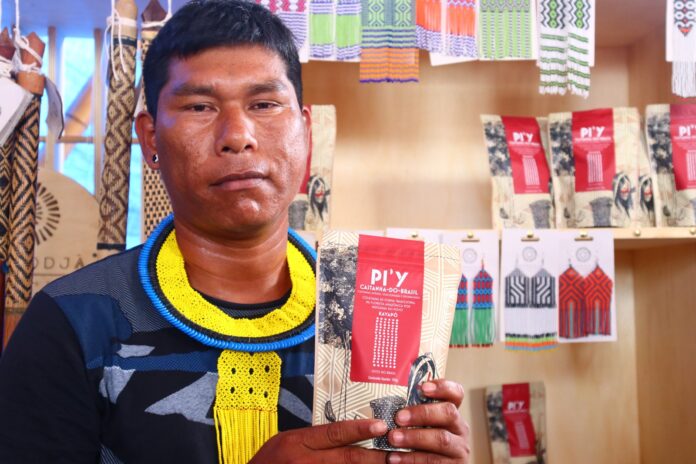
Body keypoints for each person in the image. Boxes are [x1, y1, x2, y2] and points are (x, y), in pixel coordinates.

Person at [0, 1, 471, 462]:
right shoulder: (70, 322)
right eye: (200, 106)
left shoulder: (373, 314)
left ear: (305, 132)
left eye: (264, 104)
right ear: (150, 138)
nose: (238, 135)